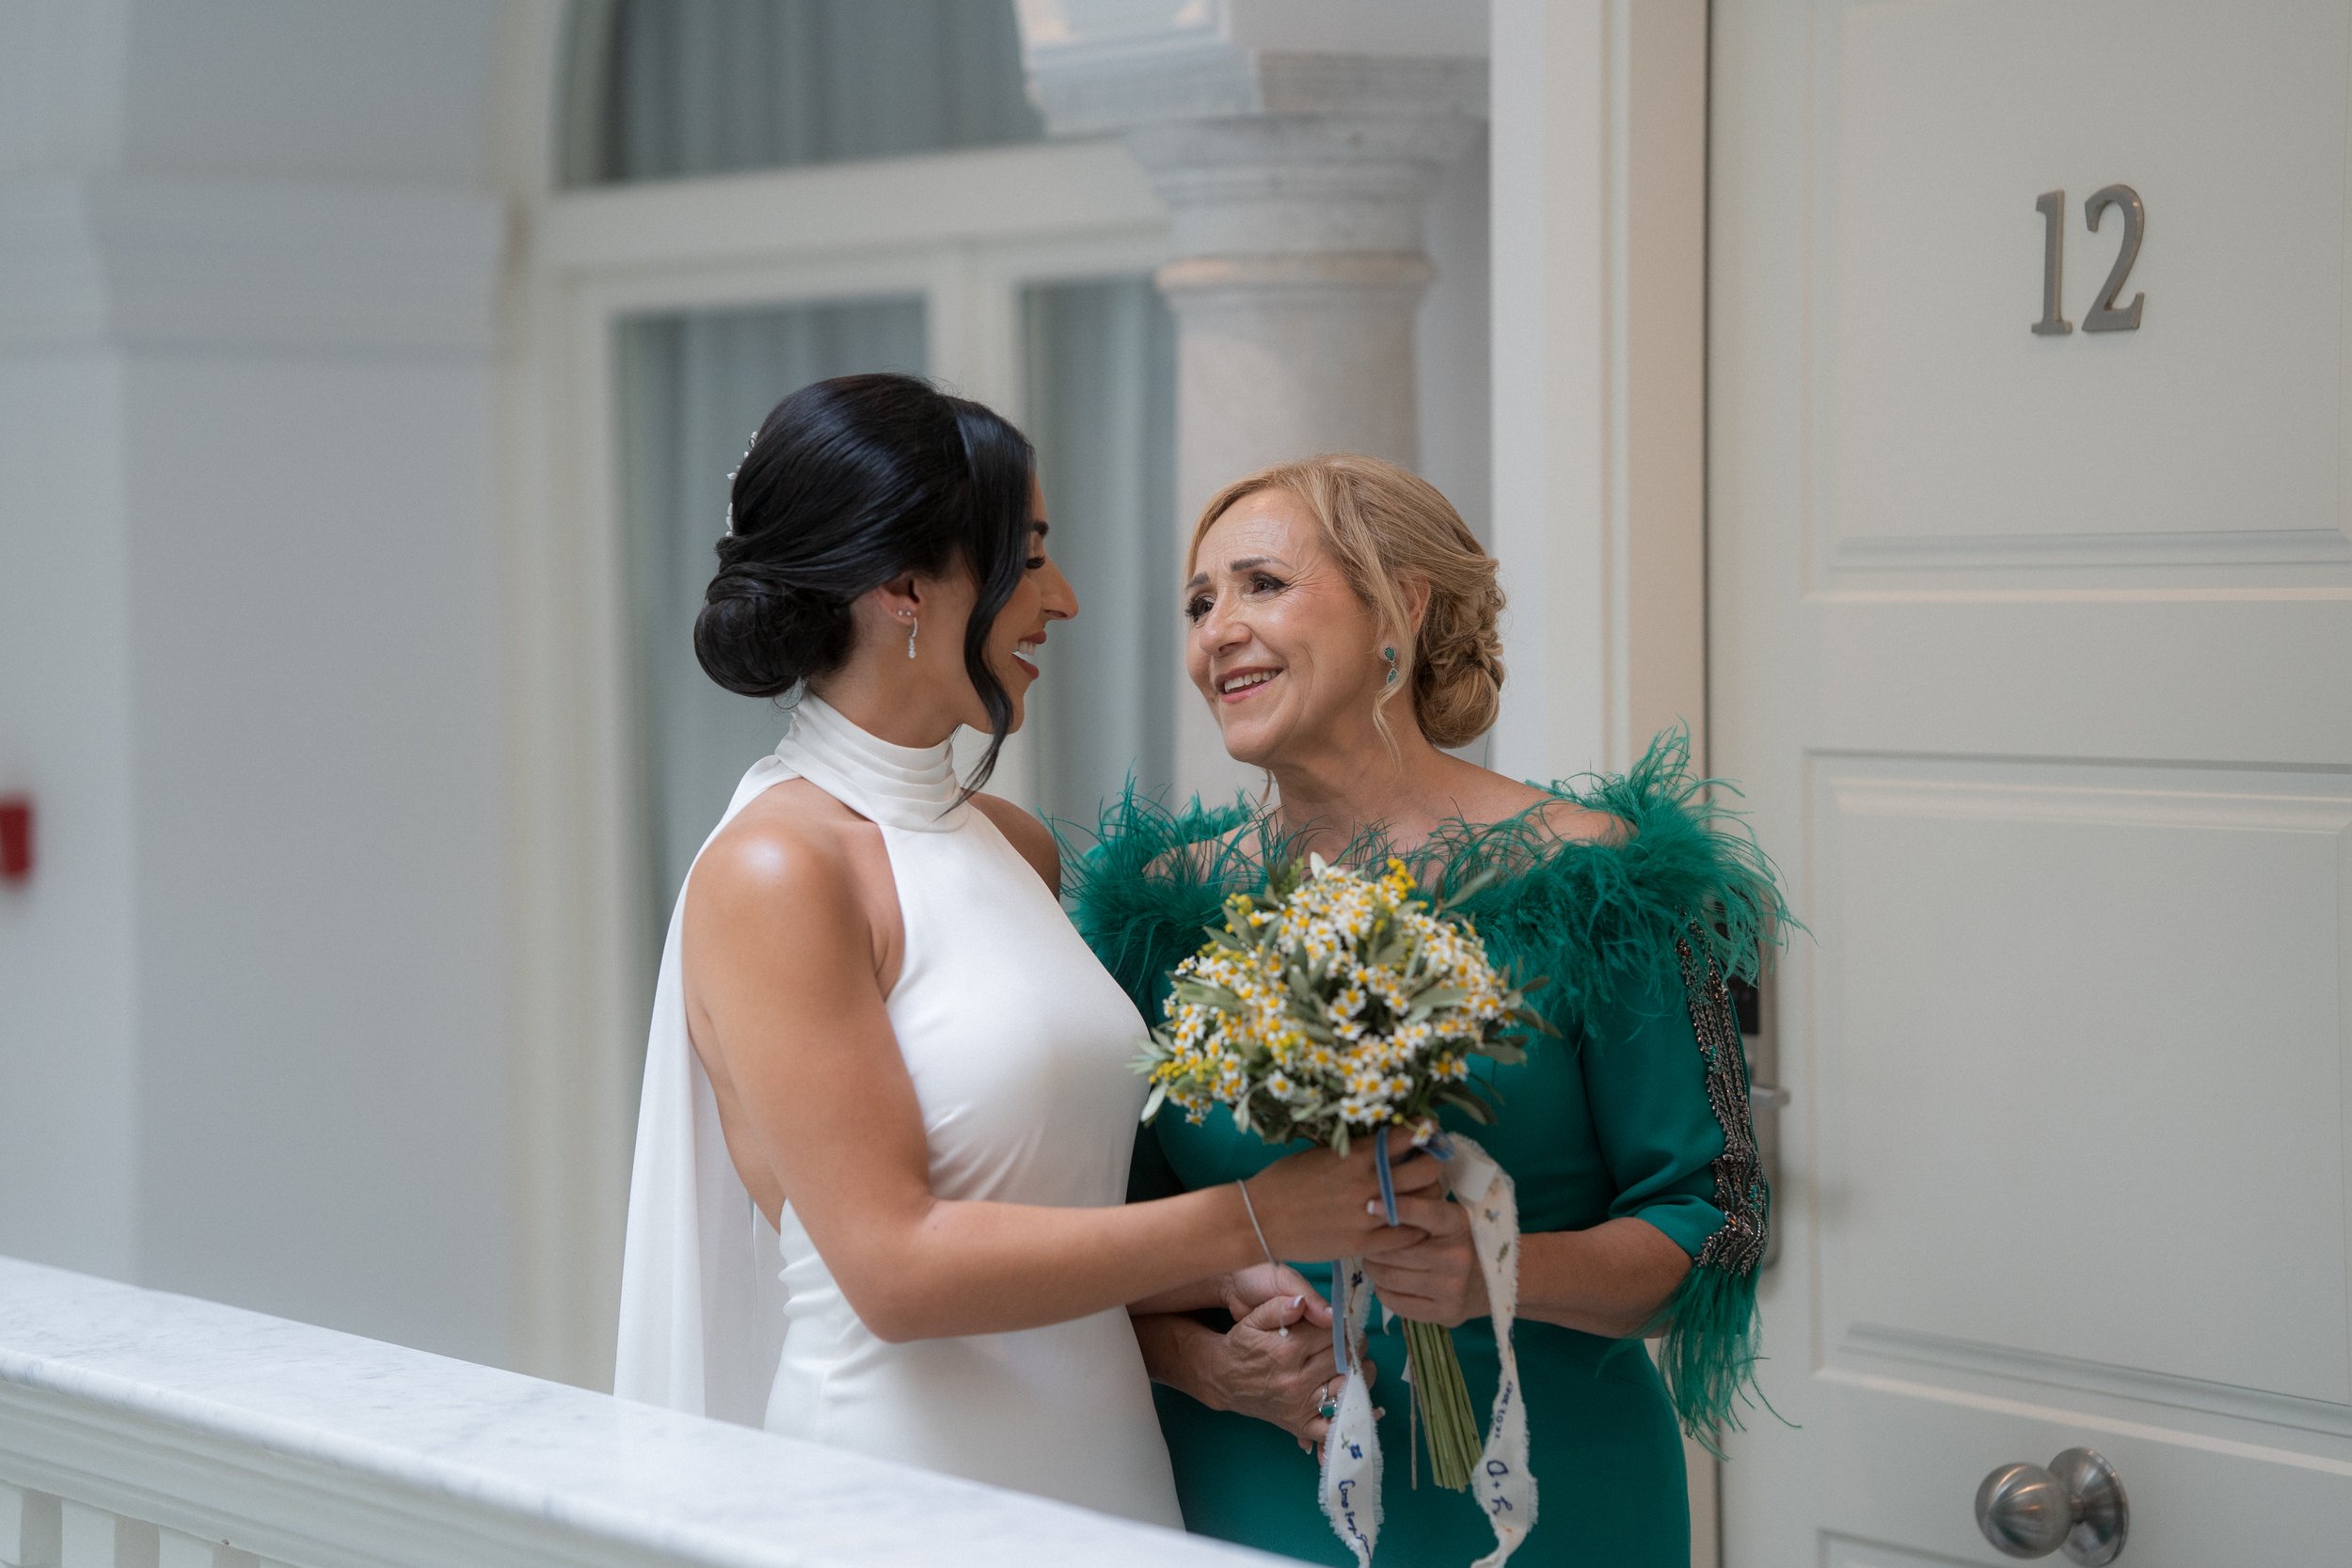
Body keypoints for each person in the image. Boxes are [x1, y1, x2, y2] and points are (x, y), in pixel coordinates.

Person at [612, 378, 1438, 1526]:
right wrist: (1255, 1219)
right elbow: (895, 1270)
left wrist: (1223, 1281)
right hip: (904, 1495)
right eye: (1030, 553)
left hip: (1105, 1472)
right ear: (903, 585)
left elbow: (1035, 1200)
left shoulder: (1015, 846)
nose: (1065, 598)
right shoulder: (778, 869)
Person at [1066, 453, 1788, 1563]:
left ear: (1400, 607)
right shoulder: (1158, 915)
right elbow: (1090, 1239)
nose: (1216, 632)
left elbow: (1717, 1217)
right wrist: (1203, 1362)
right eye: (1198, 602)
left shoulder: (1609, 883)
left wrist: (1496, 1270)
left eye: (1260, 583)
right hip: (1252, 1481)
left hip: (1557, 1493)